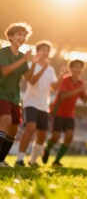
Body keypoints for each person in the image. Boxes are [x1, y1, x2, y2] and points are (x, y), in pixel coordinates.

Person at [14, 40, 67, 167]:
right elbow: (31, 81)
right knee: (30, 128)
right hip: (30, 102)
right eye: (43, 49)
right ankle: (19, 159)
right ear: (37, 52)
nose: (46, 52)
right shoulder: (32, 65)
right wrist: (43, 68)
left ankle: (32, 161)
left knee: (42, 135)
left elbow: (54, 88)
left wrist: (61, 75)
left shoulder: (51, 69)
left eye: (48, 50)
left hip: (44, 106)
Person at [42, 59, 87, 167]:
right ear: (70, 68)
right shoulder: (65, 80)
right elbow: (63, 96)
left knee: (69, 136)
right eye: (75, 67)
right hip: (58, 111)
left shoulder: (81, 83)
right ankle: (47, 149)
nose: (78, 69)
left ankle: (56, 161)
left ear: (82, 69)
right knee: (56, 136)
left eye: (80, 67)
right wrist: (80, 89)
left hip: (69, 114)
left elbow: (84, 100)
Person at [0, 22, 37, 167]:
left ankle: (1, 160)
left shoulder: (23, 57)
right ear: (10, 37)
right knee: (5, 121)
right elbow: (4, 71)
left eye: (24, 35)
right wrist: (23, 60)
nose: (22, 37)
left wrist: (33, 63)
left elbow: (28, 78)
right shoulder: (3, 52)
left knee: (14, 128)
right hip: (1, 93)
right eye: (19, 34)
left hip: (14, 96)